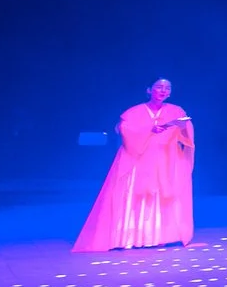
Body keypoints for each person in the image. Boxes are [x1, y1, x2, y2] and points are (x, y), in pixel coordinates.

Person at [73, 78, 195, 252]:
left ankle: (162, 235)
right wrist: (149, 129)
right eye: (159, 87)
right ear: (149, 90)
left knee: (162, 195)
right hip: (138, 160)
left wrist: (184, 126)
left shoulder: (176, 111)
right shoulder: (134, 112)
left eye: (167, 88)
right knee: (136, 194)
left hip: (165, 159)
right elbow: (124, 130)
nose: (163, 91)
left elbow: (185, 133)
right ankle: (130, 236)